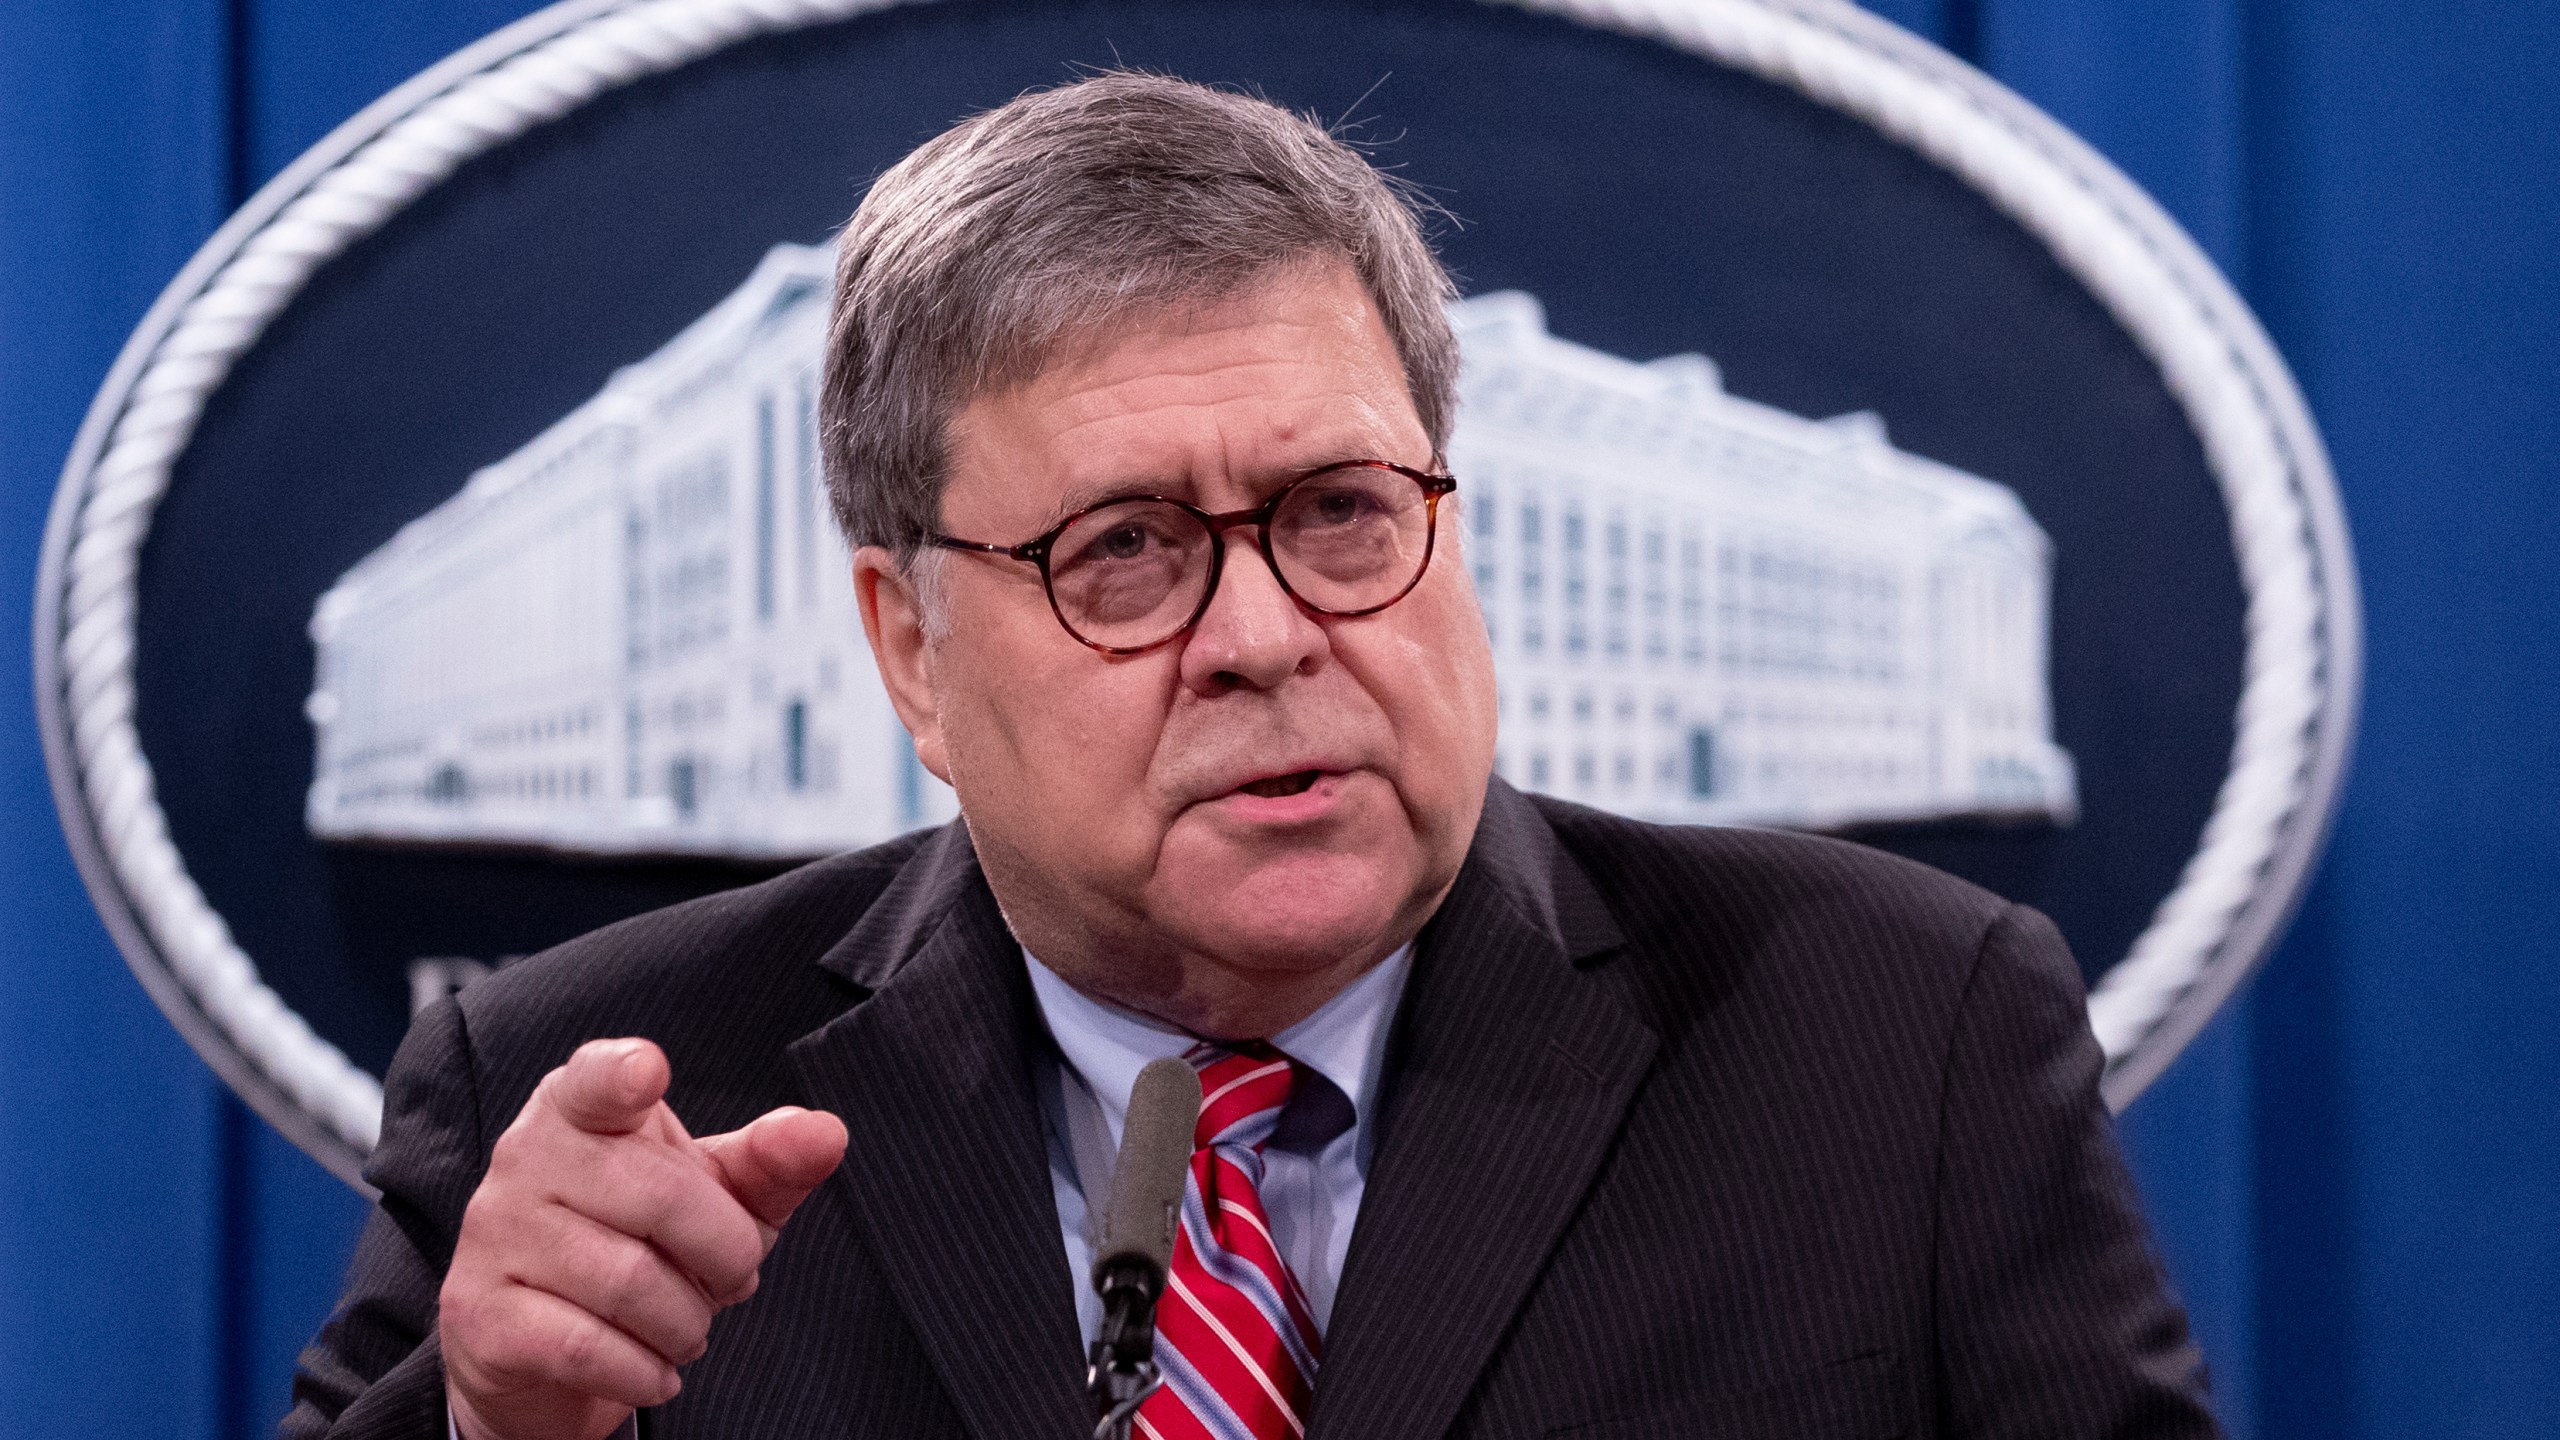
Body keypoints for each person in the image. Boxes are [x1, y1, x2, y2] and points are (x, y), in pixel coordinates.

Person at [283, 72, 2218, 1440]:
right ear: (913, 652)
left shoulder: (1902, 1037)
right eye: (1125, 551)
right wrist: (495, 1431)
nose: (1269, 635)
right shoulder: (597, 1106)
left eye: (1340, 512)